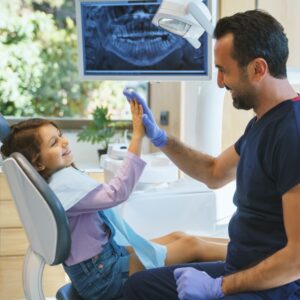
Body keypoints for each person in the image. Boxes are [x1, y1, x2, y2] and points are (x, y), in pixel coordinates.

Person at [123, 9, 300, 300]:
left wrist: (219, 287)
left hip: (275, 287)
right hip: (240, 268)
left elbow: (296, 260)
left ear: (258, 69)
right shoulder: (262, 122)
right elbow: (214, 172)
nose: (219, 81)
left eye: (224, 70)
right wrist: (162, 138)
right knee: (139, 287)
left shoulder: (292, 133)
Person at [0, 101, 227, 300]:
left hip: (101, 264)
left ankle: (240, 247)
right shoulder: (64, 185)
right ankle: (249, 256)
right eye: (54, 143)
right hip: (101, 276)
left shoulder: (59, 180)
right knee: (191, 246)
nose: (64, 142)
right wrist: (137, 135)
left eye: (60, 135)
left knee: (179, 236)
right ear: (37, 163)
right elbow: (118, 192)